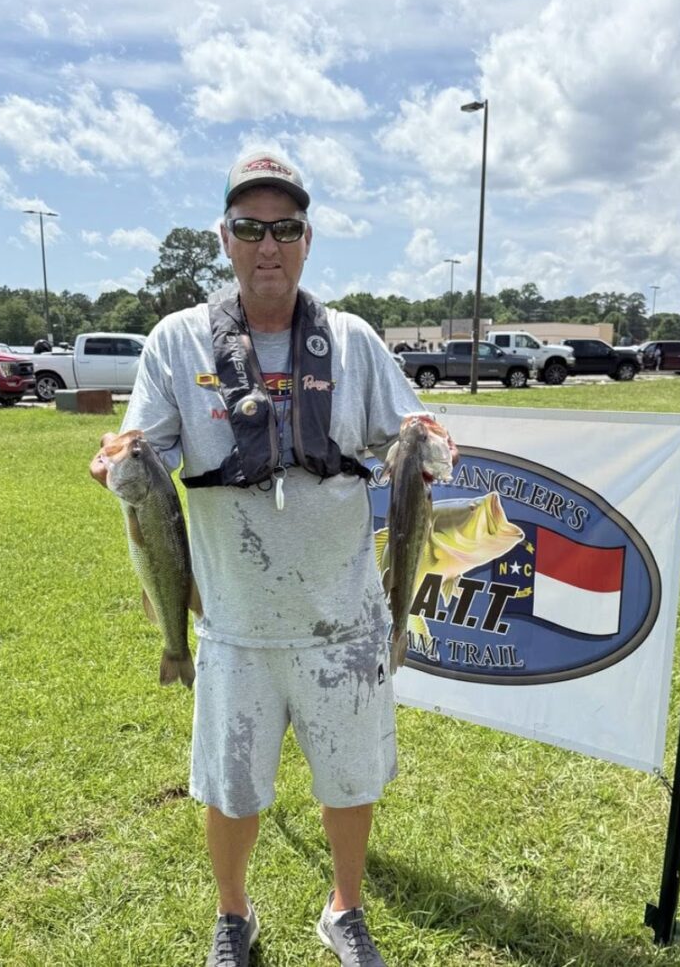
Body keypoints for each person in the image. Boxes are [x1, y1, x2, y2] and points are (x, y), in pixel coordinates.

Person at [90, 151, 447, 967]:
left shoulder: (352, 341)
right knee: (231, 787)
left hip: (346, 620)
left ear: (307, 240)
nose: (267, 245)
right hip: (235, 623)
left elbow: (408, 425)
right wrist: (117, 454)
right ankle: (233, 916)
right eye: (250, 228)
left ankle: (344, 911)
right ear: (225, 238)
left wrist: (430, 438)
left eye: (284, 227)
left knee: (351, 784)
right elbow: (143, 443)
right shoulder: (177, 342)